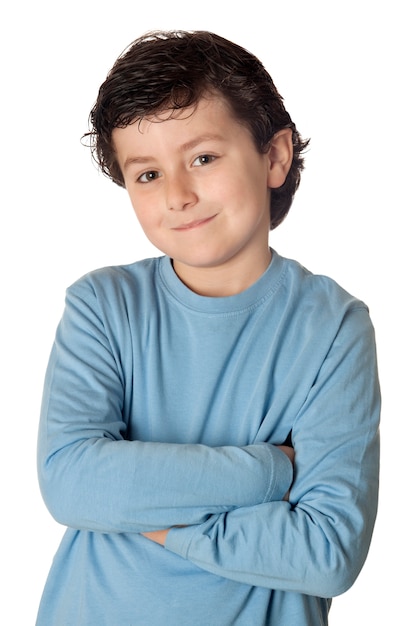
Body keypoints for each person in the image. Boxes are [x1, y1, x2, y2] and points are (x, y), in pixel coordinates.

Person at [36, 30, 380, 625]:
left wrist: (143, 508)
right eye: (147, 175)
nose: (178, 195)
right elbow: (72, 484)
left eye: (202, 158)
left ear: (274, 156)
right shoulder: (103, 305)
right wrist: (271, 471)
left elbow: (327, 551)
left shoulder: (333, 328)